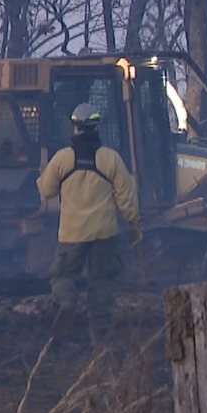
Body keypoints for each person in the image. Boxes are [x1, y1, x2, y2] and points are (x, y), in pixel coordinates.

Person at [36, 103, 142, 328]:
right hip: (104, 233)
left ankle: (66, 304)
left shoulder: (62, 159)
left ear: (75, 127)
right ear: (98, 127)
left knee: (62, 276)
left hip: (71, 233)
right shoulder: (111, 159)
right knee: (102, 281)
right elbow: (126, 196)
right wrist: (133, 222)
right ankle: (101, 334)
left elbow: (46, 190)